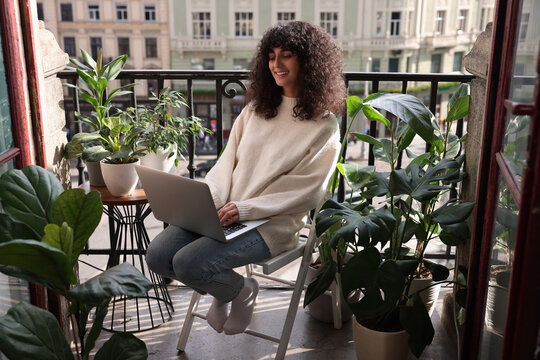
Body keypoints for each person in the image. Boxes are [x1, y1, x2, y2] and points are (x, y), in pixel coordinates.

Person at [145, 21, 346, 335]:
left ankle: (237, 292)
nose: (276, 64)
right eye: (270, 56)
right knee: (157, 256)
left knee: (188, 264)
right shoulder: (255, 110)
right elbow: (225, 166)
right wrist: (209, 201)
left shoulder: (323, 124)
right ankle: (230, 290)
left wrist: (247, 209)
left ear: (308, 62)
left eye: (287, 55)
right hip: (225, 213)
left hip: (271, 224)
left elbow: (310, 191)